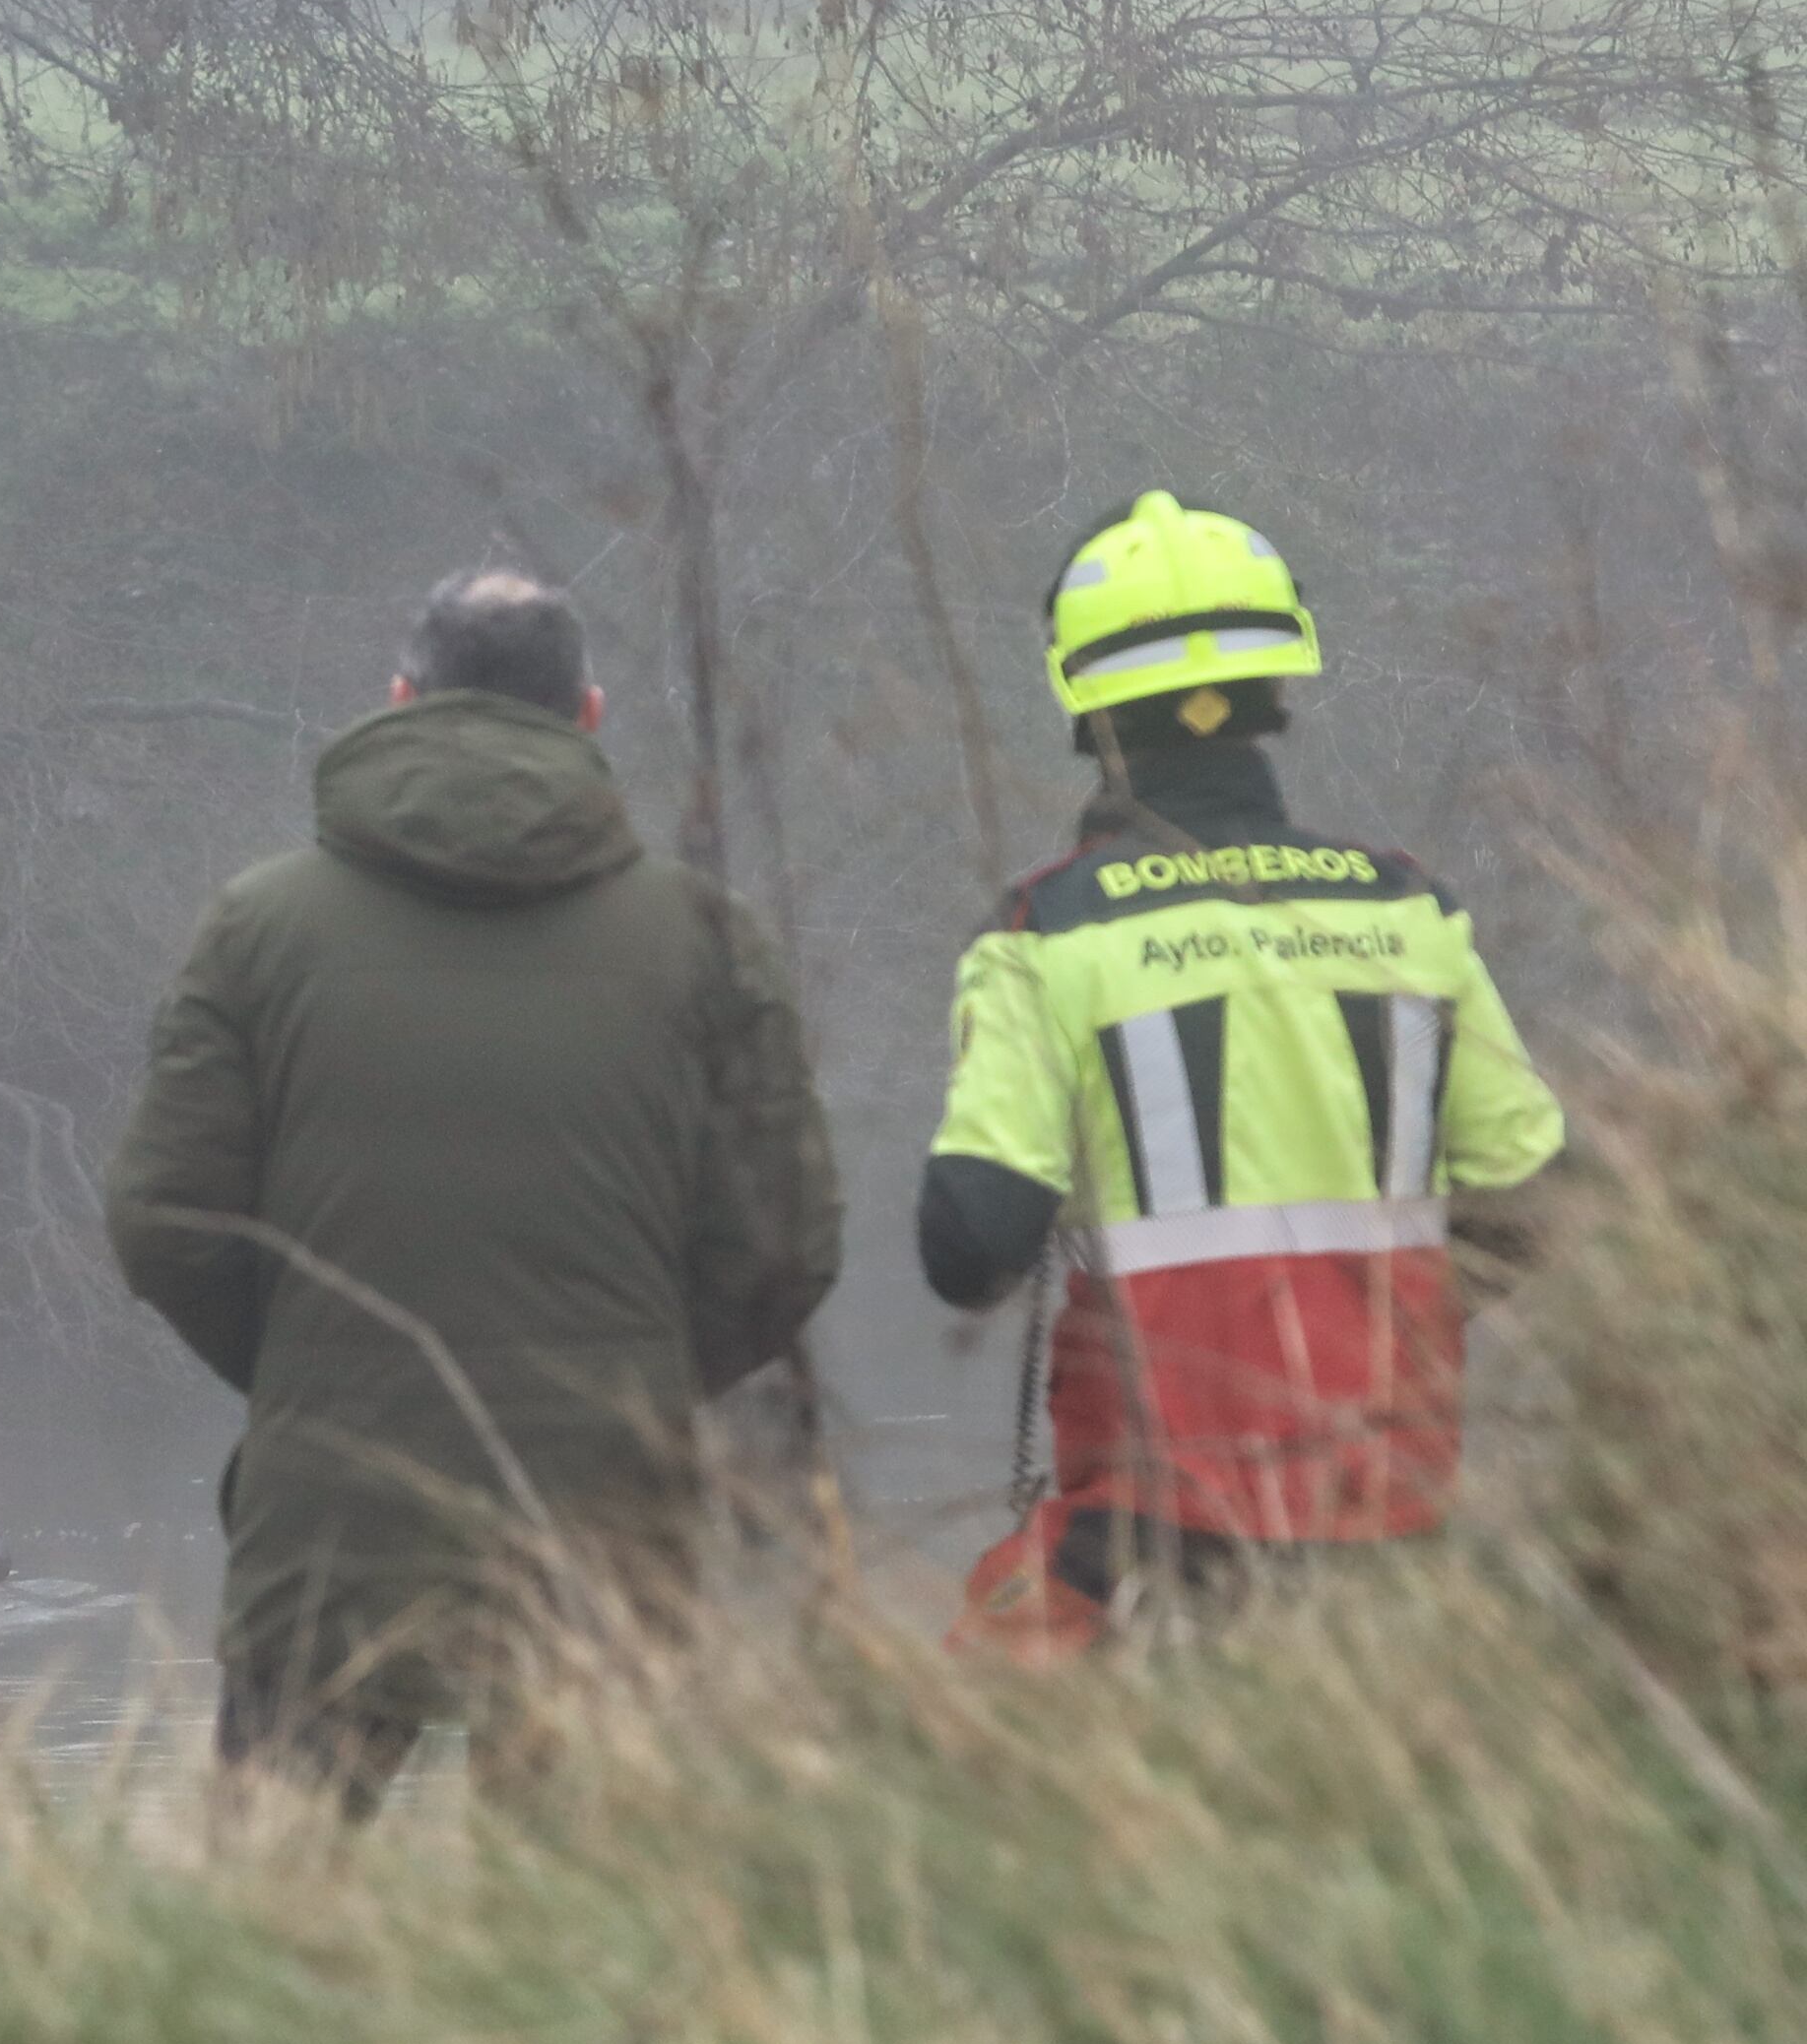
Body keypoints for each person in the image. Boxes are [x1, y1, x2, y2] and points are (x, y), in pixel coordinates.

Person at [102, 569, 840, 1809]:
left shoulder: (258, 926)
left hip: (330, 1512)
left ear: (400, 699)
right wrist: (638, 1376)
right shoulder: (705, 941)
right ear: (590, 716)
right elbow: (787, 1248)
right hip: (608, 1517)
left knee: (269, 1924)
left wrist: (305, 1364)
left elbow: (164, 1221)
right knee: (594, 1938)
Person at [922, 492, 1565, 1649]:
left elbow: (970, 1250)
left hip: (1155, 1537)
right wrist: (1383, 1311)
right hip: (1391, 1509)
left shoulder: (1047, 935)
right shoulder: (1407, 909)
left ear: (1088, 710)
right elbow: (1536, 1197)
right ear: (1279, 690)